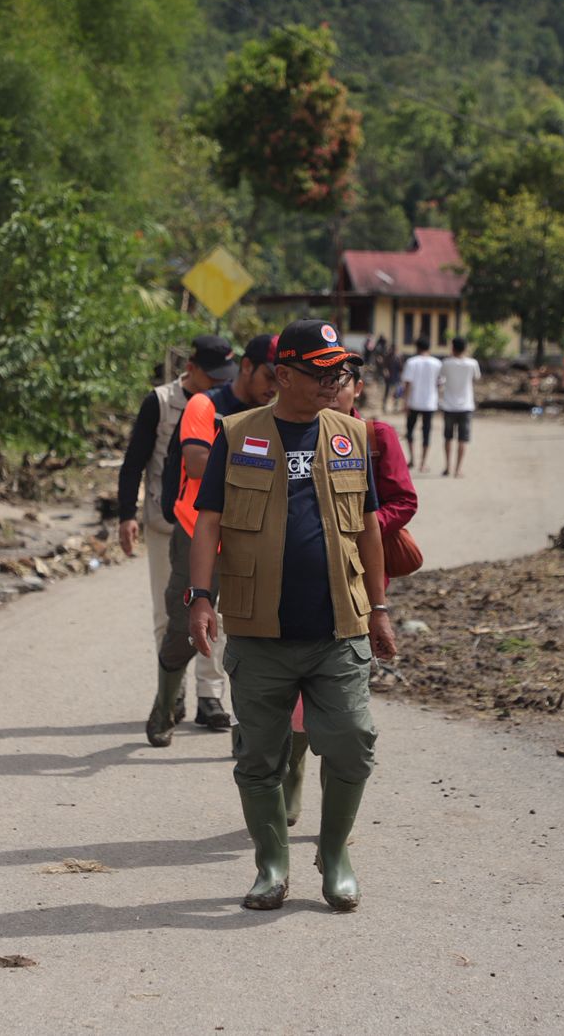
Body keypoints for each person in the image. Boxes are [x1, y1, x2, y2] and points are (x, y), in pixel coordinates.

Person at [188, 318, 399, 913]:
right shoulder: (238, 433)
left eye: (341, 369)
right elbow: (208, 521)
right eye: (322, 371)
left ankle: (335, 856)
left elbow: (366, 528)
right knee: (259, 755)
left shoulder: (351, 435)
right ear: (283, 375)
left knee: (353, 740)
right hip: (260, 630)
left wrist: (380, 608)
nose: (337, 379)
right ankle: (271, 864)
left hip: (339, 626)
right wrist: (199, 597)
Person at [282, 363, 417, 828]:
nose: (331, 389)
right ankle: (293, 769)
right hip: (303, 577)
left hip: (361, 576)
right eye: (325, 379)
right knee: (300, 682)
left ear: (356, 387)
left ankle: (333, 813)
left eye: (340, 381)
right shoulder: (286, 428)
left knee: (344, 689)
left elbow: (404, 501)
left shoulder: (374, 436)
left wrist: (355, 531)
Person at [146, 333, 277, 747]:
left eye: (284, 376)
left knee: (250, 636)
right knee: (185, 629)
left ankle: (244, 728)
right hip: (197, 533)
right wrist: (260, 460)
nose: (275, 385)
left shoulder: (278, 413)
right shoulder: (207, 404)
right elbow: (198, 463)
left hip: (254, 535)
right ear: (247, 367)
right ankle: (165, 706)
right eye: (270, 374)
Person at [117, 336, 235, 730]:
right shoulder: (161, 401)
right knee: (169, 613)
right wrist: (125, 514)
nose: (215, 382)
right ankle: (173, 695)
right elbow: (134, 459)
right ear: (193, 368)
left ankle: (210, 696)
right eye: (211, 374)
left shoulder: (226, 406)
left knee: (210, 610)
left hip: (211, 524)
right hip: (165, 521)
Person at [437, 335, 482, 478]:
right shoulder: (472, 363)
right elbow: (477, 378)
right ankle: (458, 469)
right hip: (466, 406)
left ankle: (447, 467)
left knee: (448, 437)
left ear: (452, 347)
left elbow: (440, 378)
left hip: (449, 406)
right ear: (466, 348)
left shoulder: (446, 363)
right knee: (463, 439)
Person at [399, 336, 441, 471]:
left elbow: (407, 384)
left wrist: (405, 402)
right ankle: (423, 463)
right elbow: (440, 383)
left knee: (410, 430)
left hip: (413, 402)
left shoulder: (412, 362)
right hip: (430, 403)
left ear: (417, 347)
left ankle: (412, 459)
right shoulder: (437, 363)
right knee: (426, 432)